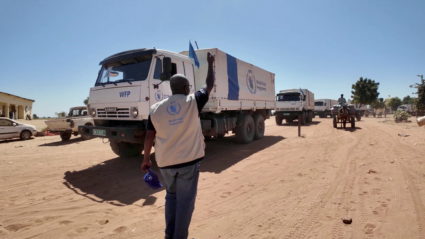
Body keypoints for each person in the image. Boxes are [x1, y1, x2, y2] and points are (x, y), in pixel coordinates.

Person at [141, 52, 215, 239]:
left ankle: (169, 234)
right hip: (189, 163)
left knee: (171, 198)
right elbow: (209, 85)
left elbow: (149, 136)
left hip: (166, 163)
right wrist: (210, 64)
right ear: (185, 87)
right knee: (185, 203)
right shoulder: (193, 101)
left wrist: (145, 159)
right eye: (188, 86)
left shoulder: (155, 109)